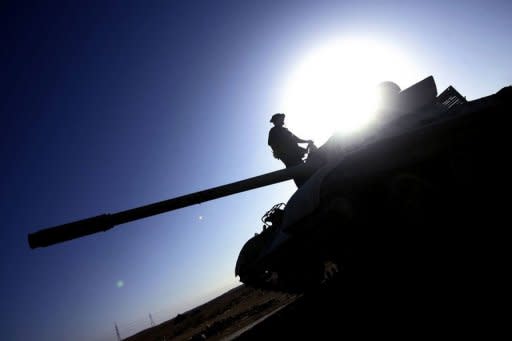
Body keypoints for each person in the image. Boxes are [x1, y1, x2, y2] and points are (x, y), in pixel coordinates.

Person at [268, 113, 314, 186]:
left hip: (296, 156)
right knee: (299, 177)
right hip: (289, 158)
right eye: (281, 118)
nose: (283, 120)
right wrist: (280, 154)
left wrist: (307, 141)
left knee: (306, 174)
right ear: (276, 121)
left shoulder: (285, 130)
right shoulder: (273, 131)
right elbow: (271, 143)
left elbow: (296, 139)